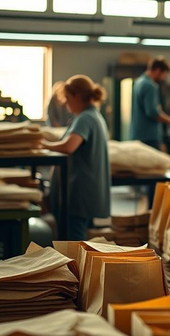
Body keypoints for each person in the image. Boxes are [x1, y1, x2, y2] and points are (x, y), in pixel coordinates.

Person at [42, 75, 111, 240]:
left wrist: (43, 145)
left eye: (68, 98)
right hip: (85, 191)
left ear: (78, 96)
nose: (66, 104)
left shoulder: (85, 118)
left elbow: (69, 146)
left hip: (80, 191)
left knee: (74, 241)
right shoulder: (94, 116)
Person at [130, 57, 170, 149]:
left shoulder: (139, 82)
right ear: (158, 70)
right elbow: (152, 112)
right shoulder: (150, 86)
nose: (164, 78)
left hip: (138, 134)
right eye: (164, 74)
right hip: (148, 136)